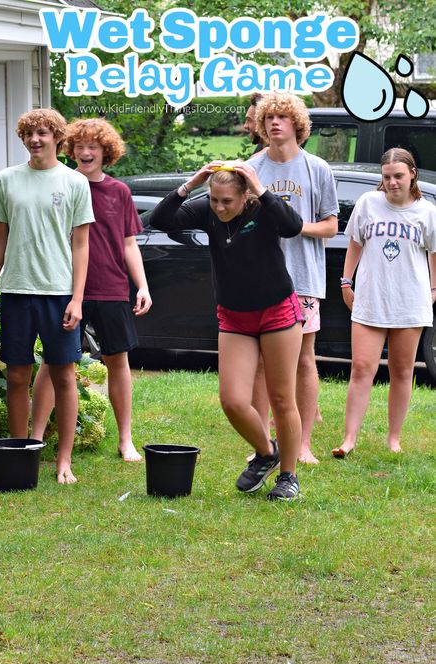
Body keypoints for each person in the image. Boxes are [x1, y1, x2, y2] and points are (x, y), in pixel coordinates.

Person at [150, 161, 304, 500]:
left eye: (227, 202)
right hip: (234, 316)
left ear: (245, 196)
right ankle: (267, 453)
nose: (219, 208)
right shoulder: (207, 208)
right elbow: (159, 220)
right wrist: (192, 183)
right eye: (215, 199)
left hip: (277, 311)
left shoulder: (262, 209)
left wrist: (259, 187)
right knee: (233, 400)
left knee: (281, 397)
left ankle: (289, 477)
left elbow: (292, 227)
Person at [0, 108, 94, 484]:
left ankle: (64, 460)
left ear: (57, 138)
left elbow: (81, 244)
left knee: (64, 375)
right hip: (15, 291)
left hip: (58, 293)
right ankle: (19, 455)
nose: (35, 140)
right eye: (29, 133)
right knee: (16, 374)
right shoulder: (7, 179)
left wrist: (77, 299)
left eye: (43, 133)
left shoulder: (75, 182)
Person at [31, 118, 152, 461]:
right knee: (53, 361)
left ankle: (125, 438)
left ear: (106, 152)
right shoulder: (61, 186)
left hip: (112, 288)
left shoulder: (119, 192)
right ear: (69, 149)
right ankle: (35, 437)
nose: (86, 152)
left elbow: (129, 244)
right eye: (80, 146)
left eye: (93, 147)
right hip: (64, 288)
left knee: (118, 360)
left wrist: (142, 285)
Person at [247, 92, 339, 464]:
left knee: (303, 359)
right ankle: (262, 444)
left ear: (297, 126)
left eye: (283, 117)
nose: (274, 123)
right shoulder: (251, 168)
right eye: (269, 117)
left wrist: (296, 226)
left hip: (302, 277)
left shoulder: (317, 168)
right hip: (260, 278)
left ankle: (301, 444)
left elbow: (332, 226)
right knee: (261, 363)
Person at [332, 148, 436, 457]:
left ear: (412, 175)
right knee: (362, 368)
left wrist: (433, 288)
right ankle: (349, 438)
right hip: (371, 297)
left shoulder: (426, 211)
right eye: (387, 177)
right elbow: (355, 243)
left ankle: (394, 439)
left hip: (409, 300)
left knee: (402, 371)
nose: (392, 183)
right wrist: (346, 281)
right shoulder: (368, 203)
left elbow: (434, 252)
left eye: (398, 176)